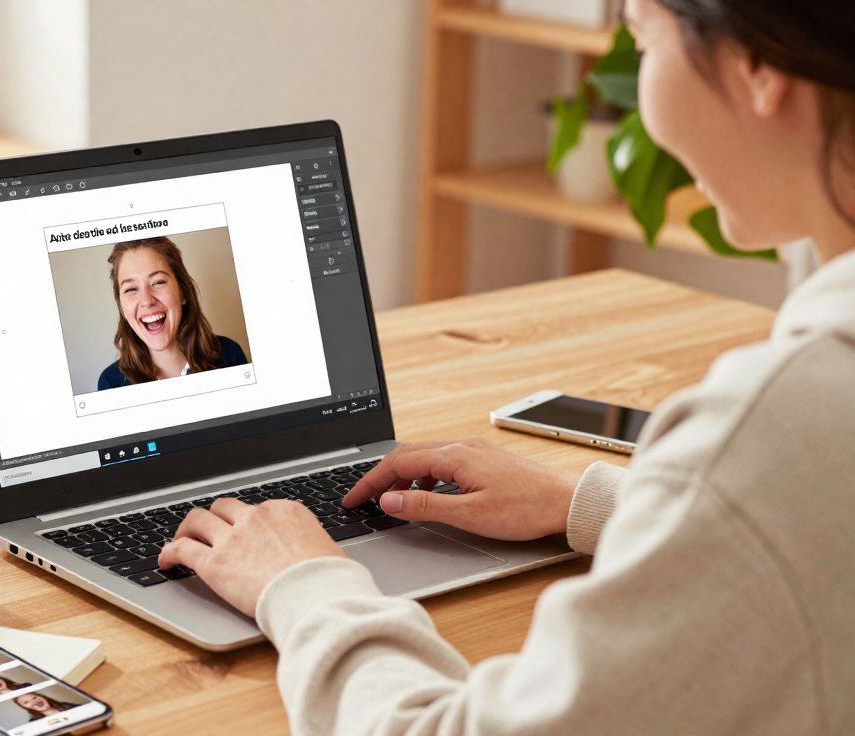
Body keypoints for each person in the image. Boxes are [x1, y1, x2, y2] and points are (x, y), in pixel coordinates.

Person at [159, 0, 855, 732]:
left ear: (757, 68)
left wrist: (298, 583)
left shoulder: (778, 416)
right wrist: (592, 503)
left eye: (643, 39)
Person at [97, 237, 248, 390]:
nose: (147, 301)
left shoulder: (230, 355)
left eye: (158, 282)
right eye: (131, 289)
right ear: (122, 307)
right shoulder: (110, 384)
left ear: (182, 292)